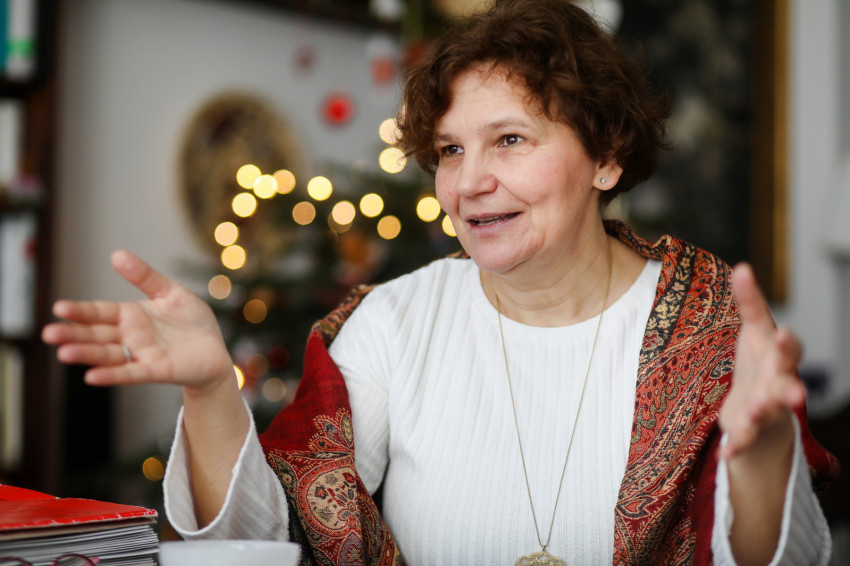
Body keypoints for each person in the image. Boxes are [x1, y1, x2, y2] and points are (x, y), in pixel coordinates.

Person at [43, 1, 838, 565]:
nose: (469, 183)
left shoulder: (713, 330)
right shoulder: (390, 323)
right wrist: (212, 389)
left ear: (606, 156)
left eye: (510, 139)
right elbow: (267, 546)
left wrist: (763, 457)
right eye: (451, 150)